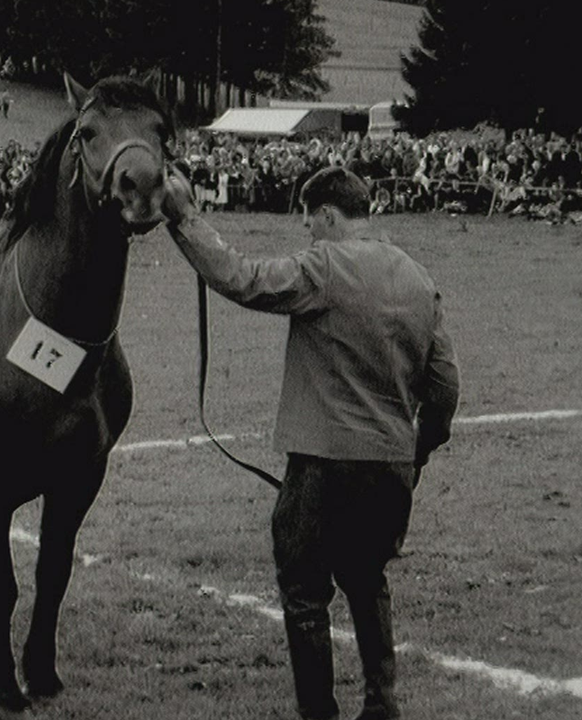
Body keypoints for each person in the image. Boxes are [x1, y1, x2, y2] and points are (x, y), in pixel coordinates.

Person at [162, 166, 459, 720]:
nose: (306, 230)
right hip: (390, 465)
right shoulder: (420, 279)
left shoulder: (325, 265)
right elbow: (445, 387)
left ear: (328, 214)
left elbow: (243, 278)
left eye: (308, 219)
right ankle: (380, 704)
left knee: (305, 593)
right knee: (369, 580)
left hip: (324, 465)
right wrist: (415, 452)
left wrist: (185, 219)